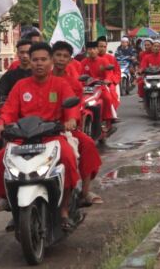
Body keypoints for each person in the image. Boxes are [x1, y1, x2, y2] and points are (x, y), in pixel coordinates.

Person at [0, 42, 81, 227]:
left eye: (43, 59)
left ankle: (64, 210)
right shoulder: (20, 86)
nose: (39, 63)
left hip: (52, 137)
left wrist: (71, 120)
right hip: (22, 139)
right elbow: (8, 111)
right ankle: (11, 202)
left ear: (51, 62)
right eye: (35, 60)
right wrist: (0, 125)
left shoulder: (61, 84)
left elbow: (71, 107)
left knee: (69, 158)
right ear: (29, 62)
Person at [51, 42, 104, 207]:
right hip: (37, 130)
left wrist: (72, 120)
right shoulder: (40, 78)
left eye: (65, 56)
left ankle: (85, 191)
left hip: (64, 129)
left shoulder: (73, 83)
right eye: (58, 55)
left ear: (70, 60)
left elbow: (75, 107)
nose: (61, 59)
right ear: (52, 57)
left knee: (88, 144)